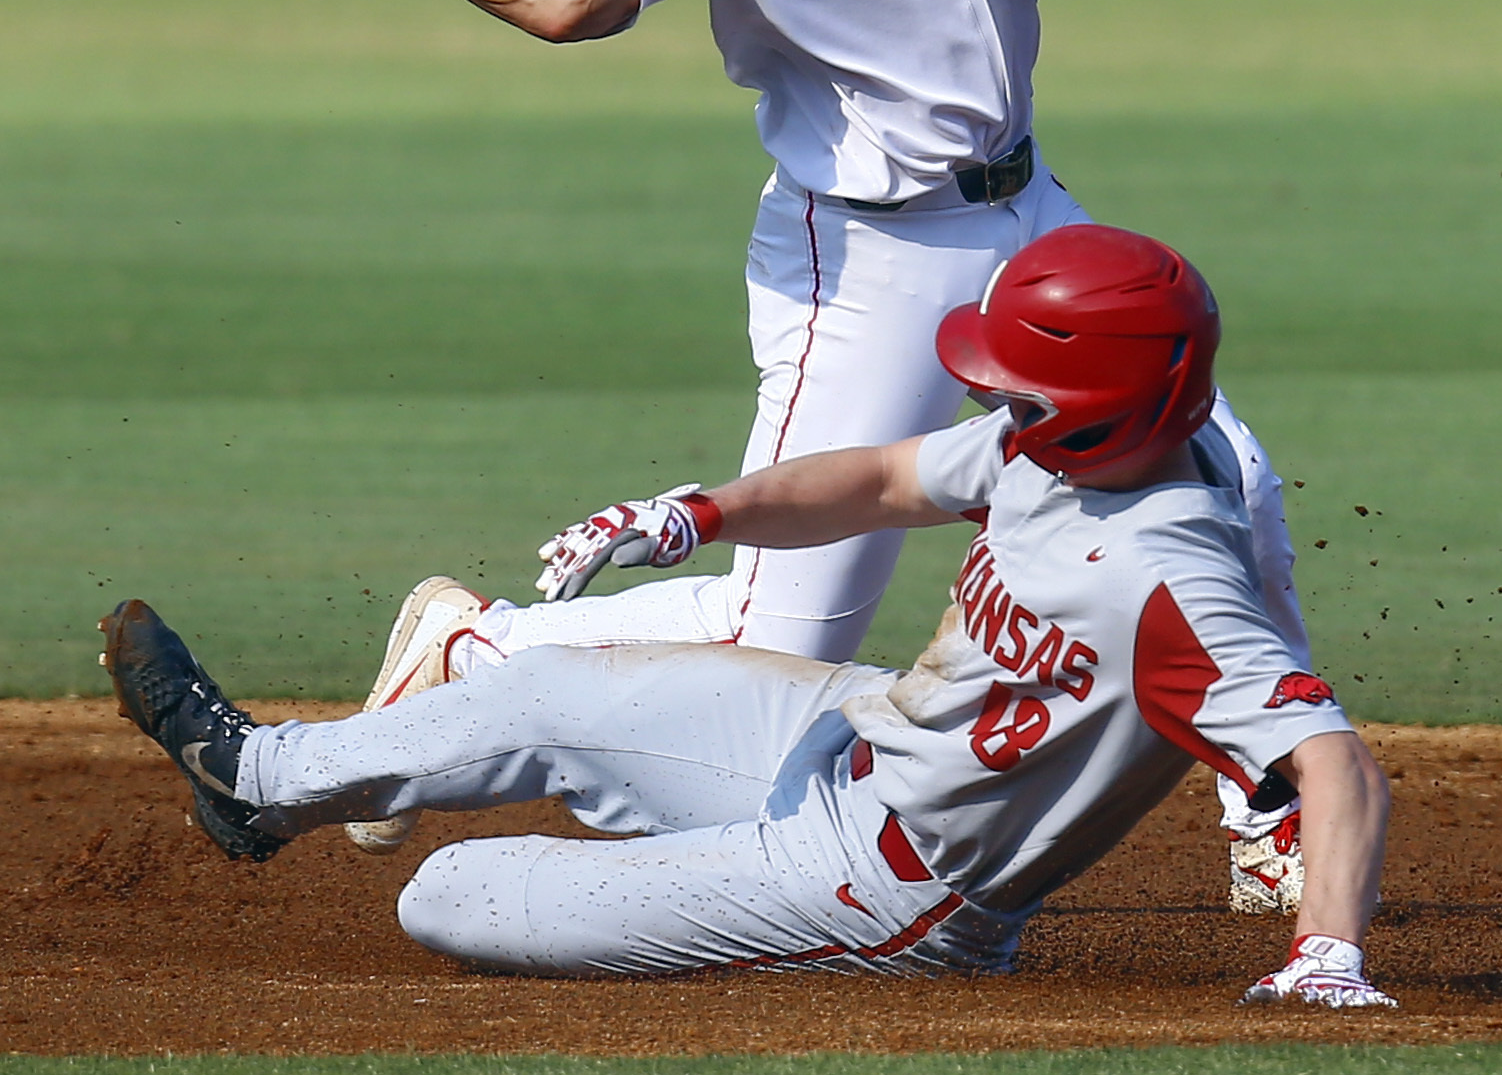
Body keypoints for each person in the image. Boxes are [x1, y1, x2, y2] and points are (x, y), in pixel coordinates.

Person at [303, 0, 1309, 905]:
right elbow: (571, 0)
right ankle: (479, 652)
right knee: (776, 645)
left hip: (1030, 214)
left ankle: (1273, 805)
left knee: (1225, 473)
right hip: (868, 256)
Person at [100, 227, 1393, 1006]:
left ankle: (743, 895)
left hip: (889, 887)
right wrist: (698, 513)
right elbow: (880, 478)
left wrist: (1325, 952)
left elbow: (1332, 761)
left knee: (448, 892)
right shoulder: (1058, 445)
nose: (989, 396)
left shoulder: (1171, 572)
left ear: (1099, 408)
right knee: (548, 684)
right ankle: (256, 778)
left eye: (1016, 383)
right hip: (848, 734)